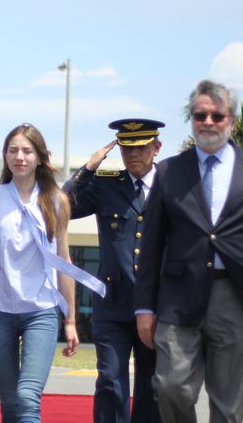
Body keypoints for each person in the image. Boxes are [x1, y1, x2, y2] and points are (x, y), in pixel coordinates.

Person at [135, 79, 243, 423]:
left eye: (217, 115)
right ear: (192, 120)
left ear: (232, 121)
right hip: (178, 298)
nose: (208, 122)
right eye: (200, 116)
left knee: (227, 405)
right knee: (169, 386)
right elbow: (151, 246)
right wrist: (144, 307)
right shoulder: (168, 171)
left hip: (237, 296)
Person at [0, 123, 98, 423]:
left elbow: (64, 261)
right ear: (5, 155)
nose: (19, 156)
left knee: (27, 398)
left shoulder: (57, 201)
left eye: (27, 151)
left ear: (40, 158)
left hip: (40, 311)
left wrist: (70, 320)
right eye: (13, 150)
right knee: (9, 404)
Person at [62, 119, 164, 423]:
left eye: (141, 147)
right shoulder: (106, 184)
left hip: (157, 304)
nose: (132, 154)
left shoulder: (171, 186)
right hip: (113, 304)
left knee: (152, 385)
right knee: (110, 382)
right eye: (126, 147)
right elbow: (61, 206)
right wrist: (88, 169)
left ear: (156, 148)